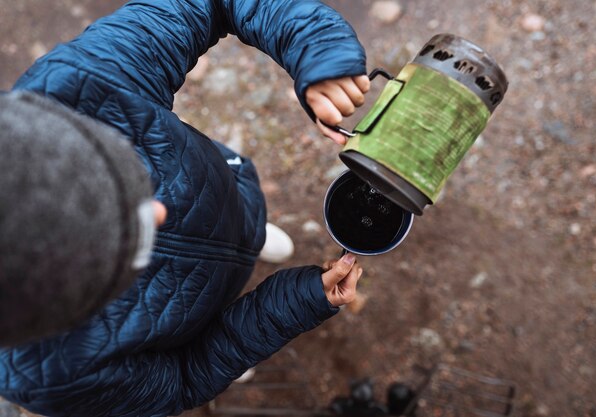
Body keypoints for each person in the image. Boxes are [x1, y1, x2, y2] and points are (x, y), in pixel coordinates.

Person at [0, 0, 369, 416]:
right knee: (217, 345)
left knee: (246, 219)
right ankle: (238, 276)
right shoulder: (51, 379)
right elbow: (185, 376)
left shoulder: (78, 82)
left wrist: (315, 47)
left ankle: (254, 231)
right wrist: (293, 304)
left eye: (125, 180)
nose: (159, 213)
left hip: (226, 192)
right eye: (121, 250)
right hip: (189, 322)